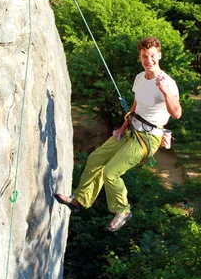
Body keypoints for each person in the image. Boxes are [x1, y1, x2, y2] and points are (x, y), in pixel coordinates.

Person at [54, 36, 182, 232]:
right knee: (95, 159)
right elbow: (136, 104)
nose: (149, 60)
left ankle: (123, 210)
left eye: (152, 56)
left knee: (111, 172)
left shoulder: (168, 83)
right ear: (140, 57)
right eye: (144, 56)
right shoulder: (140, 78)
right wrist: (122, 127)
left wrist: (165, 91)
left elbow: (177, 113)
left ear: (159, 55)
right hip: (131, 129)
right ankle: (79, 200)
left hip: (148, 139)